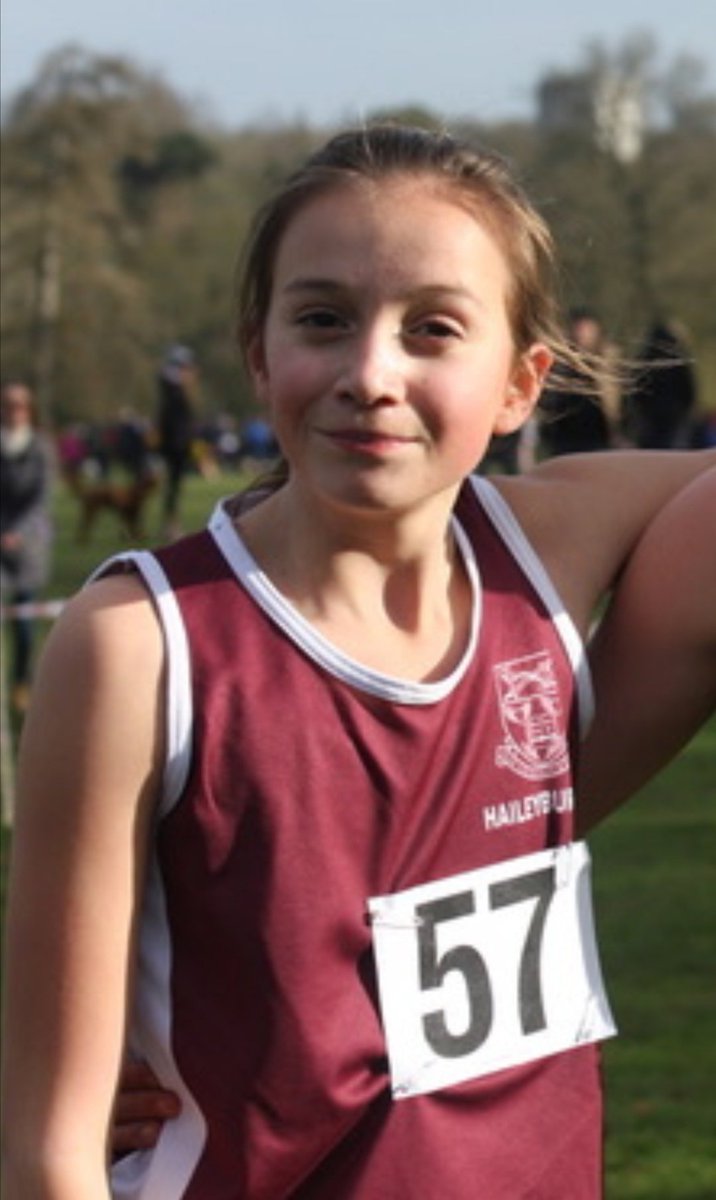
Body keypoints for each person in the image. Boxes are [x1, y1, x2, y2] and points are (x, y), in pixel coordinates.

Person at [2, 124, 714, 1200]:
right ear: (257, 350)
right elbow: (48, 1153)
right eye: (323, 320)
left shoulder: (545, 554)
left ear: (521, 384)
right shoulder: (138, 644)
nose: (370, 373)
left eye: (433, 329)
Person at [0, 380, 55, 714]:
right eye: (8, 404)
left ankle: (21, 681)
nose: (14, 411)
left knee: (23, 621)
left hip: (28, 545)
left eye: (20, 405)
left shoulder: (40, 448)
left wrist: (16, 532)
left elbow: (41, 498)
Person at [538, 307, 616, 458]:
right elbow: (548, 395)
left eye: (587, 330)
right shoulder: (560, 361)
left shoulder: (606, 361)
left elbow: (616, 399)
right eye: (579, 329)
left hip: (598, 433)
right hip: (564, 433)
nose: (583, 335)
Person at [622, 319, 698, 450]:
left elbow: (634, 392)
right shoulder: (679, 362)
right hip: (674, 418)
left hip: (650, 420)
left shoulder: (642, 361)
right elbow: (689, 391)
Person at [156, 344, 198, 539]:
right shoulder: (175, 390)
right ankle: (171, 525)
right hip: (176, 444)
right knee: (173, 486)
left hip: (175, 442)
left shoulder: (172, 388)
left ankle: (171, 523)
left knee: (174, 486)